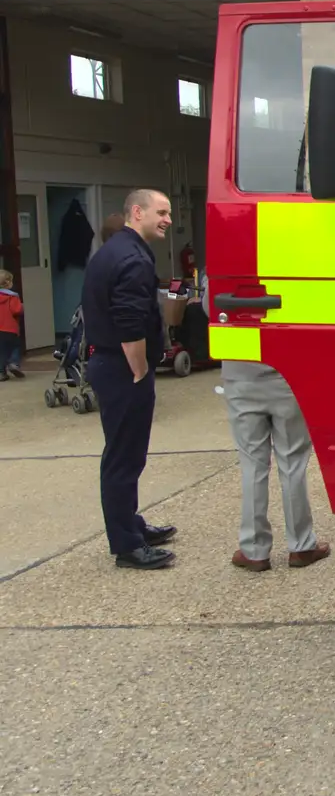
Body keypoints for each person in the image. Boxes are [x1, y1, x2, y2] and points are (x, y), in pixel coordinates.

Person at [81, 189, 177, 569]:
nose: (168, 219)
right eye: (162, 212)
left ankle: (131, 525)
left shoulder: (114, 249)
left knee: (127, 455)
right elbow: (128, 320)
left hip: (108, 364)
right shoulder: (132, 257)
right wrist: (139, 368)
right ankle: (127, 545)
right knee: (123, 458)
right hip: (122, 368)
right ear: (137, 212)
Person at [223, 360, 330, 571]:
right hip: (287, 376)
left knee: (252, 467)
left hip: (240, 377)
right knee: (293, 464)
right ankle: (301, 545)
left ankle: (254, 550)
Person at [0, 269, 22, 379]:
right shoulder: (13, 297)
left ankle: (1, 372)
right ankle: (14, 363)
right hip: (10, 328)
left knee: (1, 351)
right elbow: (16, 310)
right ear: (8, 283)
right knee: (15, 346)